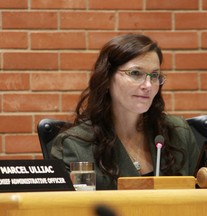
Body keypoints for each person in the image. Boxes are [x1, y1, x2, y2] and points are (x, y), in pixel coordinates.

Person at [50, 34, 199, 190]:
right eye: (135, 73)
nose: (148, 85)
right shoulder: (75, 146)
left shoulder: (178, 133)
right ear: (107, 79)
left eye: (154, 76)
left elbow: (204, 199)